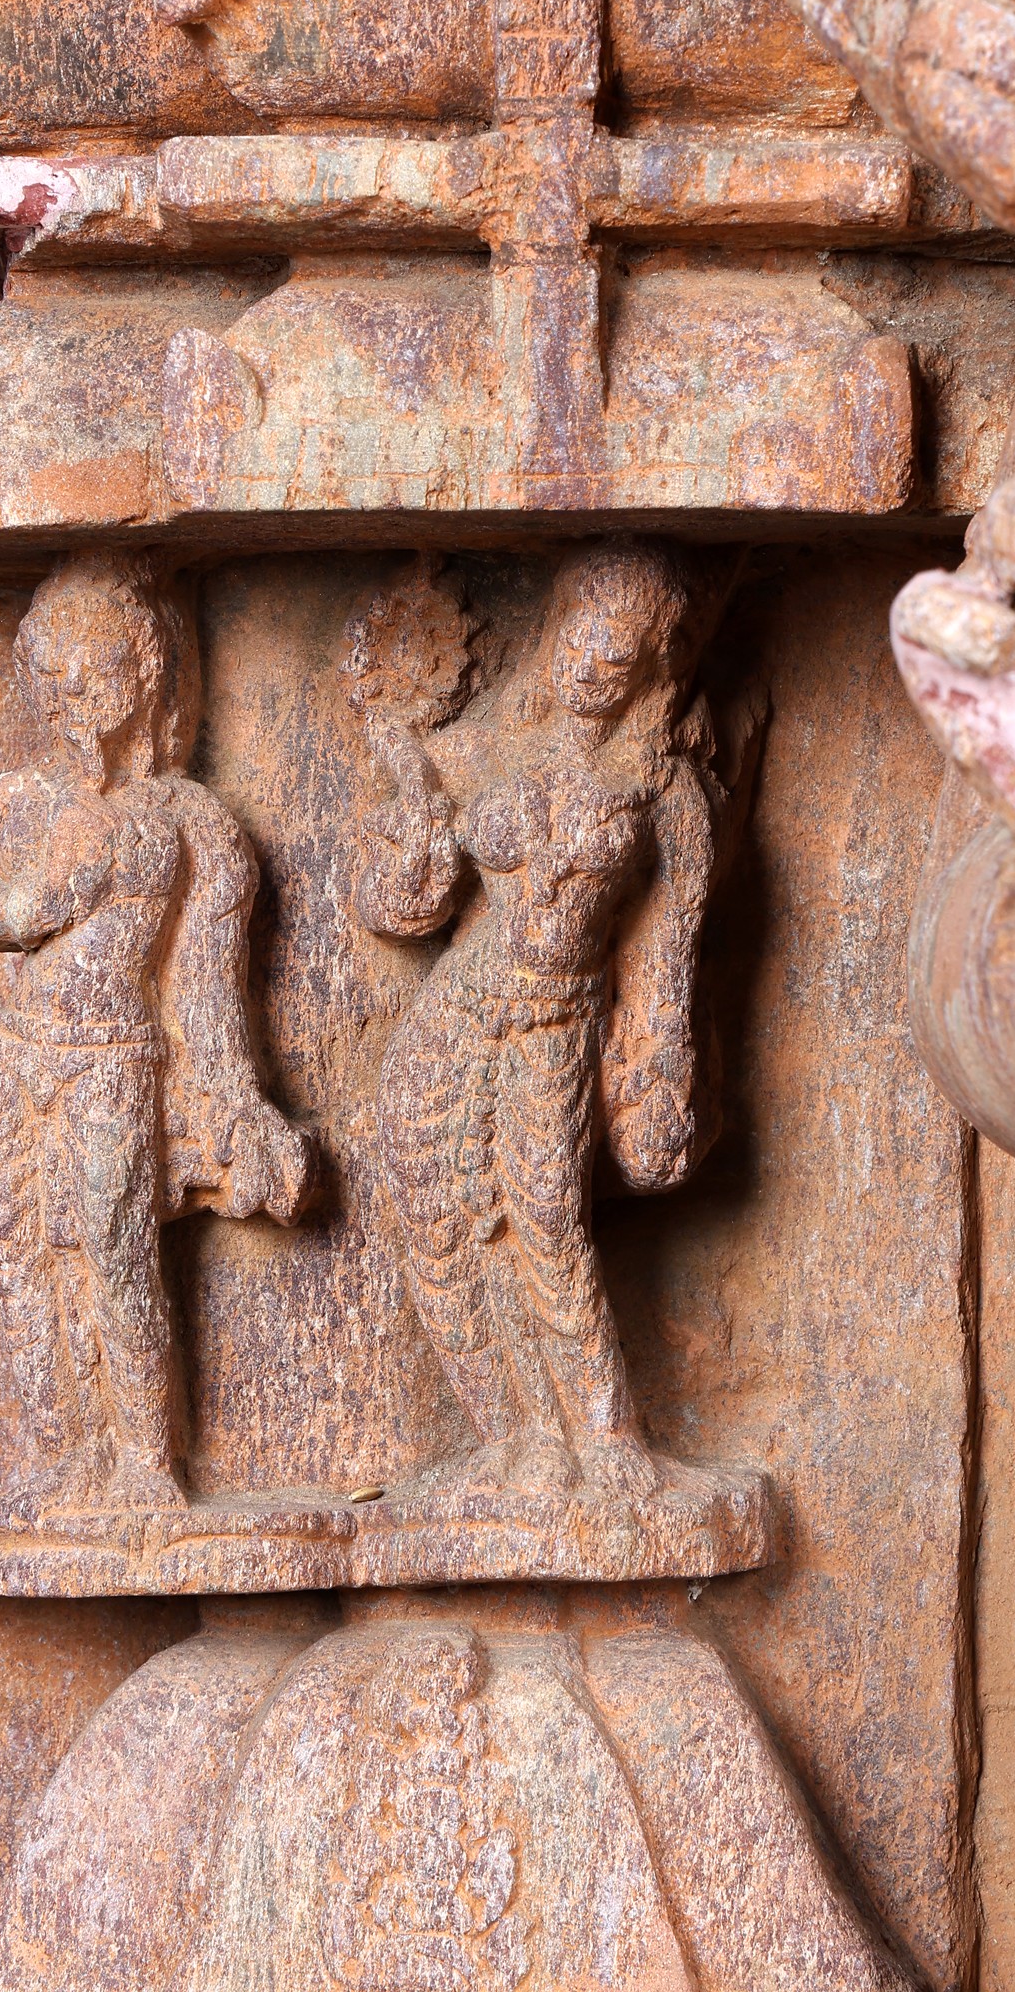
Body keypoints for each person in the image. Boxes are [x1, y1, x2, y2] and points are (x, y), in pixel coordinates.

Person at [0, 550, 313, 1512]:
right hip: (12, 1057)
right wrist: (27, 905)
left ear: (143, 674)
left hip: (114, 1062)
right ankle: (61, 1463)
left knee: (113, 1250)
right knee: (19, 1260)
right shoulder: (21, 801)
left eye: (90, 674)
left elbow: (206, 988)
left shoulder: (189, 823)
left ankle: (144, 1468)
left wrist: (237, 1102)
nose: (69, 697)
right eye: (50, 677)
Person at [347, 541, 740, 1503]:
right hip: (455, 1012)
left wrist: (660, 1063)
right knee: (438, 1220)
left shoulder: (664, 791)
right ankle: (514, 1438)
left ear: (652, 669)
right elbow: (400, 908)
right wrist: (412, 837)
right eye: (579, 639)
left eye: (618, 654)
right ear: (555, 631)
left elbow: (666, 957)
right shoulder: (483, 750)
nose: (590, 666)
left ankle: (607, 1438)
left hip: (558, 1022)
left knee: (548, 1221)